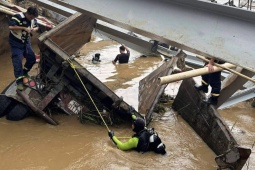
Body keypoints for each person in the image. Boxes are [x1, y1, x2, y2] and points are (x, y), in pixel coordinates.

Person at [8, 6, 39, 91]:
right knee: (17, 61)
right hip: (16, 42)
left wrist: (34, 29)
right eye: (31, 17)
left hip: (26, 42)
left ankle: (25, 72)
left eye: (33, 18)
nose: (31, 19)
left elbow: (37, 26)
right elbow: (11, 27)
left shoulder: (33, 19)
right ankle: (19, 82)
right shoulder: (18, 16)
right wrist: (24, 28)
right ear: (27, 13)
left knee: (32, 58)